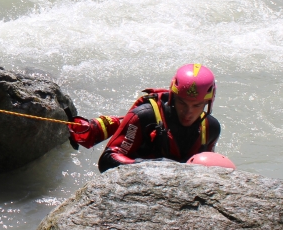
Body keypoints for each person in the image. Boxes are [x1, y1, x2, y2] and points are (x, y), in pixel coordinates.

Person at [68, 64, 221, 173]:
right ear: (173, 97)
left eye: (197, 106)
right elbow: (107, 161)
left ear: (208, 103)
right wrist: (151, 166)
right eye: (182, 103)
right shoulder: (144, 116)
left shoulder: (210, 128)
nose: (188, 112)